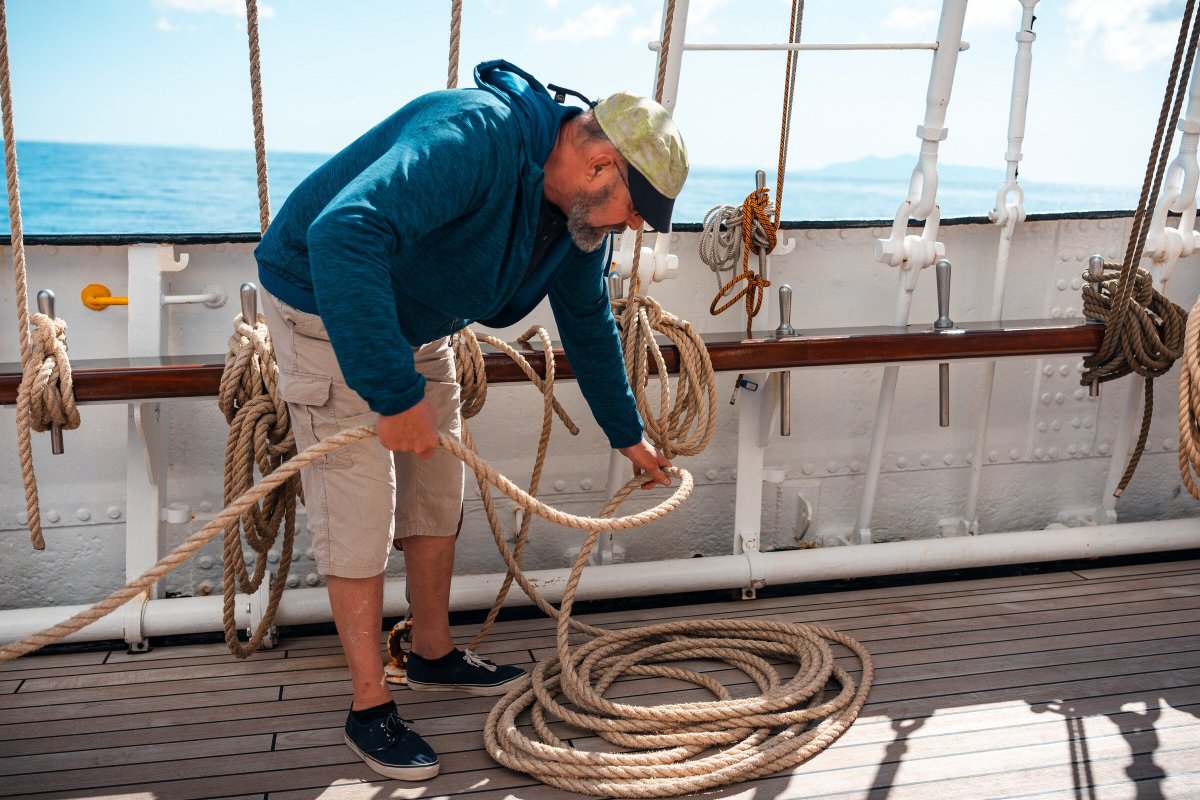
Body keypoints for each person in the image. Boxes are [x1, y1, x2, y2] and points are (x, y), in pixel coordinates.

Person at [254, 59, 688, 781]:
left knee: (437, 489)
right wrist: (392, 395)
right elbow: (343, 235)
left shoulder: (578, 223)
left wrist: (628, 433)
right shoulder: (472, 135)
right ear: (599, 163)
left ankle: (430, 653)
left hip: (421, 322)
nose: (634, 228)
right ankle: (369, 707)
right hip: (326, 304)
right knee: (359, 507)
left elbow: (587, 321)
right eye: (634, 210)